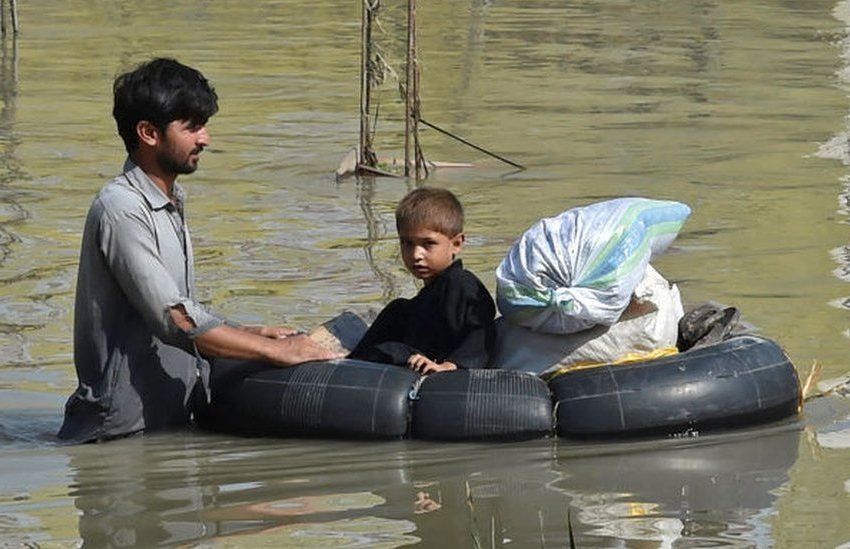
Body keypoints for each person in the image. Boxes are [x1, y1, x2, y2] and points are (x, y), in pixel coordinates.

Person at [58, 58, 342, 443]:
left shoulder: (170, 199)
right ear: (148, 133)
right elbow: (175, 320)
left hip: (165, 426)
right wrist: (279, 352)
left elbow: (180, 307)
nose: (205, 139)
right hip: (118, 437)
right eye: (191, 127)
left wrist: (249, 331)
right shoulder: (122, 209)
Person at [349, 187, 496, 373]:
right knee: (397, 309)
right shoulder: (423, 297)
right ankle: (348, 364)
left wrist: (449, 365)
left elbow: (482, 332)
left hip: (441, 369)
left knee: (393, 347)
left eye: (428, 244)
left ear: (456, 244)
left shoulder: (461, 284)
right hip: (415, 360)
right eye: (407, 243)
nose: (416, 254)